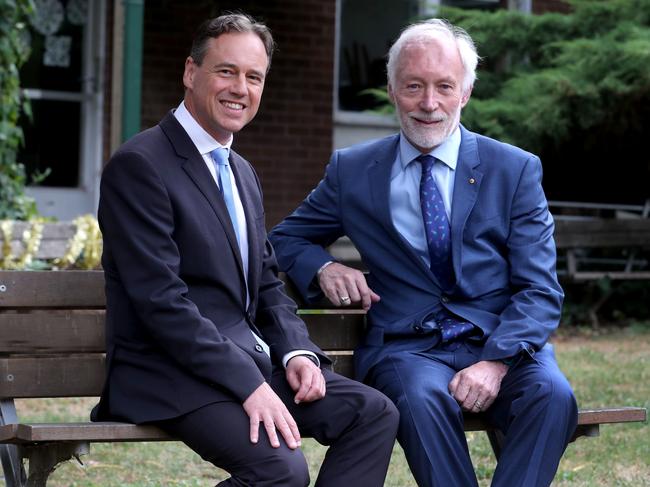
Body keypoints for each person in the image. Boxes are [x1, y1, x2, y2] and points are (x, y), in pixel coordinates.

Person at [91, 13, 398, 487]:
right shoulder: (140, 166)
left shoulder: (243, 174)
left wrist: (298, 354)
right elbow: (161, 303)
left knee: (371, 413)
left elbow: (267, 284)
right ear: (191, 73)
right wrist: (249, 384)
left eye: (254, 77)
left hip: (245, 364)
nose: (241, 88)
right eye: (226, 71)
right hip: (167, 374)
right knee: (280, 470)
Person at [269, 18, 578, 487]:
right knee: (418, 398)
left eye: (444, 87)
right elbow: (284, 238)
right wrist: (323, 264)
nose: (429, 104)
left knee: (553, 397)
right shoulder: (353, 171)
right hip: (408, 350)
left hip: (502, 344)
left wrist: (495, 363)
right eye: (413, 86)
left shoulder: (513, 170)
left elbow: (539, 289)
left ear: (466, 92)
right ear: (392, 90)